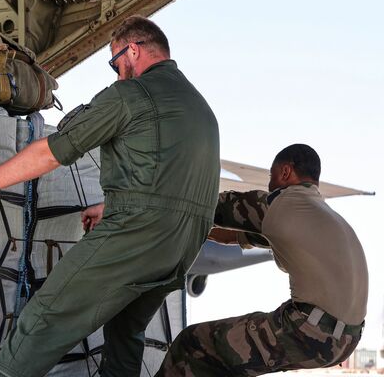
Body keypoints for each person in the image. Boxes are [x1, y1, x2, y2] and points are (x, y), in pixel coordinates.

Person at [0, 15, 220, 376]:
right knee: (126, 331)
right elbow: (170, 183)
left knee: (46, 314)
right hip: (182, 247)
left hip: (136, 233)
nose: (116, 71)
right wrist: (111, 204)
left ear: (133, 49)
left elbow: (54, 151)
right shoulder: (201, 109)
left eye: (115, 61)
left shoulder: (131, 95)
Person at [157, 144, 368, 376]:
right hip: (347, 340)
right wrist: (199, 231)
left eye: (272, 176)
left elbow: (206, 208)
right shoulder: (318, 214)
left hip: (309, 331)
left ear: (285, 172)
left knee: (193, 342)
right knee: (229, 360)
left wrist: (157, 214)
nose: (269, 184)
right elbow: (231, 236)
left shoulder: (279, 204)